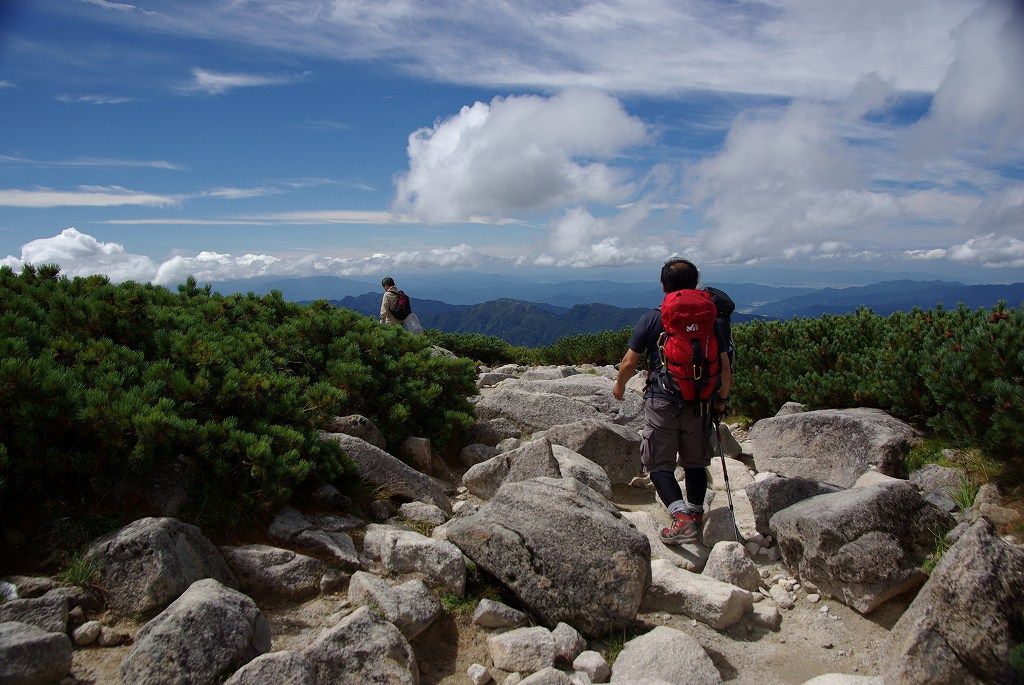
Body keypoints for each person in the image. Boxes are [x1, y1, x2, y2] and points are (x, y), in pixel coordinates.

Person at [612, 258, 732, 545]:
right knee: (695, 462)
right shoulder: (712, 321)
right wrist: (721, 400)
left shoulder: (654, 318)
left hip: (663, 401)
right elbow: (725, 367)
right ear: (695, 283)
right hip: (701, 403)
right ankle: (696, 514)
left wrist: (619, 386)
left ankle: (680, 519)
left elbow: (629, 362)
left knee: (659, 464)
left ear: (664, 286)